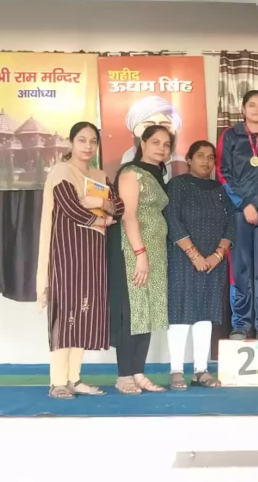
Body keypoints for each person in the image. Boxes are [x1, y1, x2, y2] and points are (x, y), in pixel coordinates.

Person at [37, 122, 125, 399]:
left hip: (92, 256)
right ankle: (56, 382)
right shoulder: (62, 172)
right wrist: (103, 217)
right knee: (66, 317)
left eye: (93, 141)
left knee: (82, 317)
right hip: (67, 254)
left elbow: (119, 205)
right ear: (71, 143)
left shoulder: (98, 175)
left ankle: (74, 379)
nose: (88, 146)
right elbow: (71, 208)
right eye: (82, 140)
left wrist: (106, 207)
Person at [165, 140, 235, 389]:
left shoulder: (220, 189)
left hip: (214, 262)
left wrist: (217, 255)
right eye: (200, 156)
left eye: (210, 157)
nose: (206, 161)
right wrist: (194, 255)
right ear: (189, 159)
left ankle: (201, 370)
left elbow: (231, 224)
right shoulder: (177, 185)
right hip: (183, 260)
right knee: (181, 312)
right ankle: (175, 371)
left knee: (205, 313)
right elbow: (172, 219)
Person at [108, 125, 173, 394]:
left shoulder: (157, 174)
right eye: (155, 142)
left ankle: (138, 372)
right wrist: (140, 255)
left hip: (154, 252)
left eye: (167, 144)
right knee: (132, 312)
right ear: (142, 143)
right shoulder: (131, 172)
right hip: (133, 250)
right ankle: (124, 375)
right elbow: (129, 215)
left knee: (146, 311)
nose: (161, 148)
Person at [216, 90, 258, 340]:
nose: (257, 109)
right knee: (241, 269)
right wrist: (243, 203)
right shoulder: (231, 135)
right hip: (240, 213)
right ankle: (241, 324)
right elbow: (223, 173)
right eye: (252, 105)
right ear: (243, 108)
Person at [121, 95, 187, 181]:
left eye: (165, 127)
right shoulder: (131, 172)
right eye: (148, 127)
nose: (161, 148)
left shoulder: (183, 164)